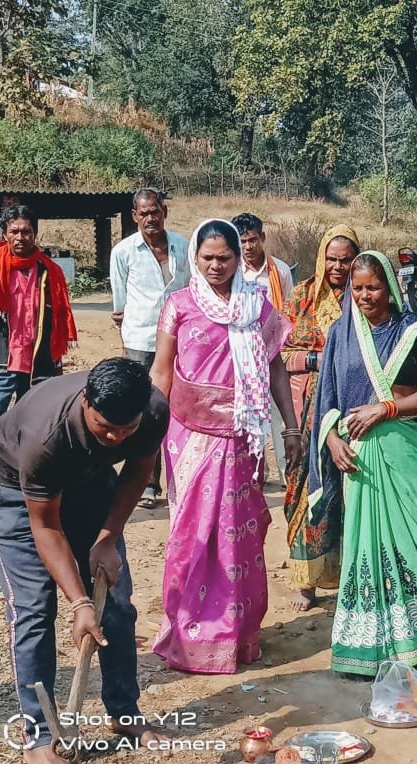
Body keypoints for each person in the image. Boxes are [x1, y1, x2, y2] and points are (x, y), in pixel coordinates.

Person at [0, 357, 169, 764]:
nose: (116, 437)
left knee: (118, 606)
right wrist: (80, 602)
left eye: (126, 430)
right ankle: (39, 738)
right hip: (19, 489)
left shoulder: (153, 410)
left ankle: (124, 713)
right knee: (33, 609)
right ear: (87, 401)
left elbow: (139, 471)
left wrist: (107, 538)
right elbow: (47, 526)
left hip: (91, 484)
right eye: (105, 427)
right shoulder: (45, 436)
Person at [150, 219, 301, 673]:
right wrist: (147, 431)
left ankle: (237, 635)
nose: (216, 266)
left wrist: (290, 428)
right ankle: (190, 632)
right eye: (208, 258)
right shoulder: (178, 305)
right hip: (190, 436)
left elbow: (275, 369)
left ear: (239, 259)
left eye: (225, 258)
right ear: (194, 258)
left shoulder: (257, 306)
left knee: (239, 536)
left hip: (241, 437)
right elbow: (161, 372)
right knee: (192, 536)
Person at [308, 251, 417, 681]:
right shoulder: (340, 333)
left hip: (402, 448)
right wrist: (332, 439)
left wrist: (386, 408)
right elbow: (328, 399)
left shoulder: (415, 331)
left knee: (416, 543)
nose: (365, 296)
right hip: (359, 456)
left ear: (389, 287)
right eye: (358, 289)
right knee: (366, 548)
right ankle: (368, 644)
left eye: (373, 287)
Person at [0, 204, 77, 533]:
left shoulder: (49, 271)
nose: (21, 237)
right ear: (5, 234)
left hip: (39, 367)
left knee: (39, 436)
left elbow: (54, 323)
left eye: (26, 231)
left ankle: (34, 503)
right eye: (15, 231)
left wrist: (56, 368)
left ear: (35, 233)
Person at [282, 224, 360, 611]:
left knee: (350, 490)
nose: (338, 267)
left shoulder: (365, 294)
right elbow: (280, 355)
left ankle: (349, 573)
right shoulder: (301, 298)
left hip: (353, 407)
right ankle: (308, 581)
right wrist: (319, 358)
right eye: (331, 259)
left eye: (346, 260)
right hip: (307, 410)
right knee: (305, 488)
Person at [109, 187, 190, 509]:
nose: (150, 218)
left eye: (155, 211)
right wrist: (126, 338)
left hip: (182, 339)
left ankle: (181, 480)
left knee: (180, 408)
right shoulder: (124, 252)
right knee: (145, 410)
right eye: (143, 213)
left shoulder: (184, 247)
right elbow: (119, 304)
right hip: (141, 340)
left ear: (164, 211)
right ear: (134, 216)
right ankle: (147, 483)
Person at [231, 212, 295, 487]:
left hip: (273, 352)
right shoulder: (232, 270)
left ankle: (286, 473)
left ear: (263, 238)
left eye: (252, 240)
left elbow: (288, 311)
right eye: (242, 241)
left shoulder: (279, 271)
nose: (248, 247)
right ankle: (255, 472)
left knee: (280, 411)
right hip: (243, 353)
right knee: (248, 413)